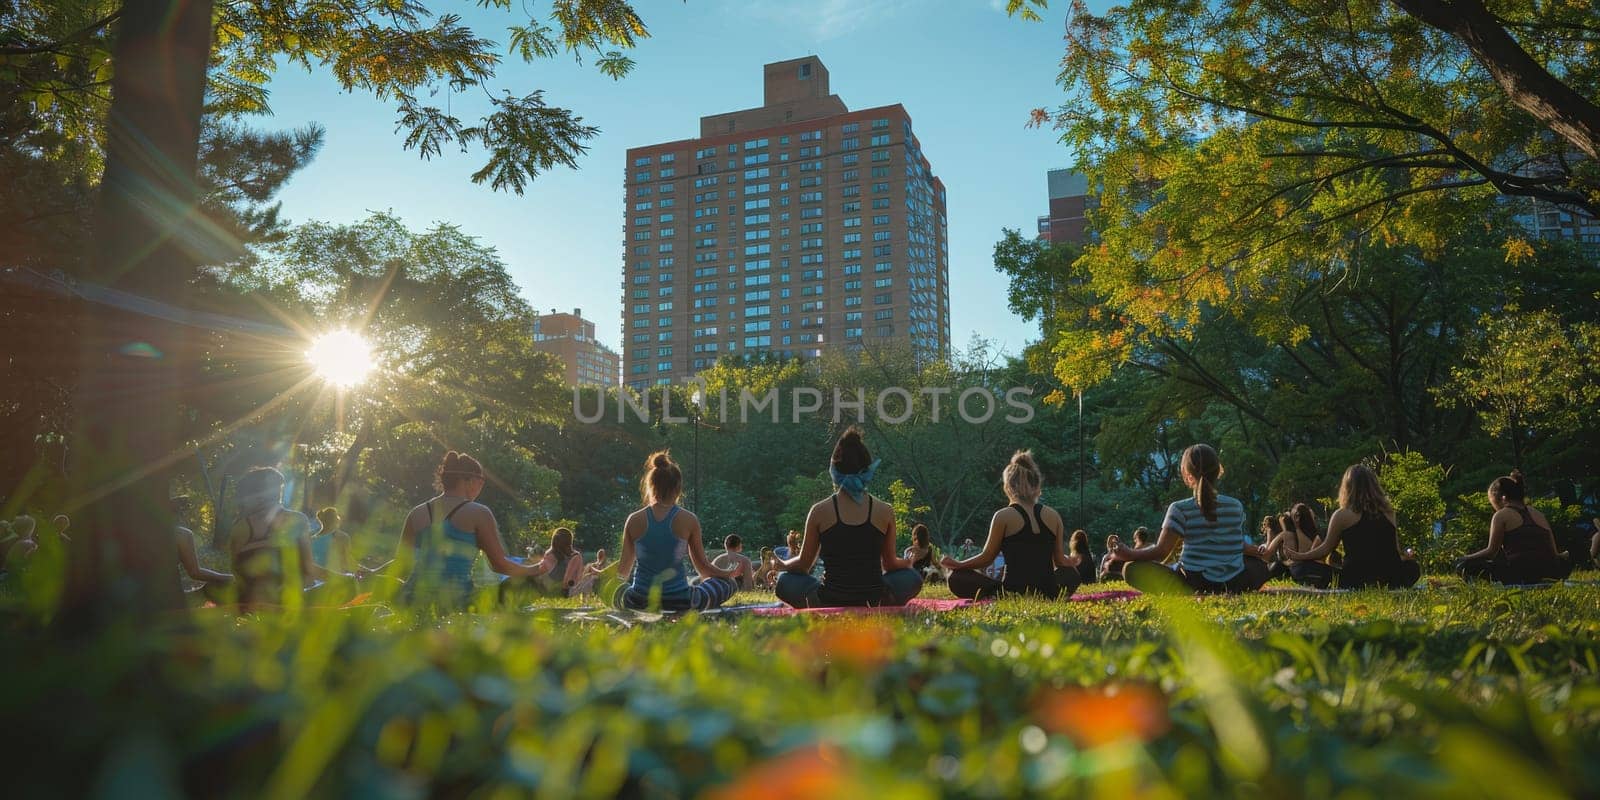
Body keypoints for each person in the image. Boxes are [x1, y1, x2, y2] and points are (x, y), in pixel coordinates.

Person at [777, 427, 922, 608]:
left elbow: (804, 565)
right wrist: (908, 562)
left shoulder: (819, 511)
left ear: (834, 469)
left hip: (830, 599)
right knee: (912, 577)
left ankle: (820, 604)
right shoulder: (885, 510)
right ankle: (882, 602)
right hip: (875, 598)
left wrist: (782, 564)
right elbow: (890, 563)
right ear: (866, 469)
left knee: (784, 581)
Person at [392, 451, 555, 608]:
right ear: (468, 480)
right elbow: (499, 565)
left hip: (412, 599)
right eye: (481, 480)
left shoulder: (416, 513)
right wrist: (537, 569)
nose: (482, 485)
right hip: (457, 600)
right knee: (527, 582)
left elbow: (400, 566)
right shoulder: (478, 512)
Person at [1107, 444, 1271, 595]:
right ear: (1218, 470)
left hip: (1194, 583)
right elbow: (1234, 544)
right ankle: (1226, 589)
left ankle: (1185, 592)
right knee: (1259, 567)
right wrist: (1258, 552)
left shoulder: (1179, 509)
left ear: (1187, 474)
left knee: (1130, 568)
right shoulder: (1235, 506)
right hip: (1235, 582)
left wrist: (1129, 554)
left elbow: (1161, 552)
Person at [943, 450, 1081, 600]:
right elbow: (1060, 560)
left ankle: (997, 595)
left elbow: (987, 557)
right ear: (1036, 484)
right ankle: (1046, 594)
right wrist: (1071, 562)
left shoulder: (1003, 516)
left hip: (1013, 591)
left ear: (1008, 486)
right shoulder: (1054, 516)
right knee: (1071, 574)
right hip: (1048, 590)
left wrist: (958, 565)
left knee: (956, 577)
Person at [614, 451, 737, 611]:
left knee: (621, 591)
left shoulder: (633, 519)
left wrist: (603, 583)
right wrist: (728, 574)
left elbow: (623, 571)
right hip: (680, 601)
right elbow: (704, 569)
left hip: (639, 600)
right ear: (678, 488)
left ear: (651, 486)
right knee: (730, 583)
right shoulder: (689, 519)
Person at [228, 467, 354, 608]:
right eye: (279, 488)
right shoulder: (297, 519)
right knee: (350, 584)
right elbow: (308, 569)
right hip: (285, 603)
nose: (280, 492)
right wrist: (344, 579)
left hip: (246, 601)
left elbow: (236, 572)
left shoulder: (239, 526)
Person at [1284, 464, 1420, 589]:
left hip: (1355, 579)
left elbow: (1325, 549)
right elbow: (1395, 551)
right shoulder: (1389, 512)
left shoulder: (1342, 515)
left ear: (1347, 487)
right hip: (1391, 578)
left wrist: (1300, 556)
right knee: (1413, 567)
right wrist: (1407, 558)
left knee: (1300, 568)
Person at [1455, 471, 1572, 584]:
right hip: (1551, 572)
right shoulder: (1539, 514)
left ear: (1502, 498)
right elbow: (1554, 553)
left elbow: (1491, 552)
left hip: (1520, 573)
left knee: (1464, 566)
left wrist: (1465, 558)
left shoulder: (1501, 515)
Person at [173, 495, 232, 601]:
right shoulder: (181, 534)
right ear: (180, 513)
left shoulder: (141, 531)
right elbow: (195, 572)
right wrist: (227, 578)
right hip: (170, 592)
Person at [1264, 504, 1334, 588]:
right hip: (1312, 571)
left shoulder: (1287, 535)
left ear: (1297, 517)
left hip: (1300, 570)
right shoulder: (1316, 536)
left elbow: (1266, 556)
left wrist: (1269, 535)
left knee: (1277, 566)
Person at [531, 527, 586, 596]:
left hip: (548, 590)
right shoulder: (575, 556)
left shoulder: (548, 555)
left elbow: (539, 571)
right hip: (566, 591)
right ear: (569, 541)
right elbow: (573, 579)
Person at [310, 507, 355, 575]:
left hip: (316, 579)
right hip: (335, 578)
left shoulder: (311, 538)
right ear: (337, 520)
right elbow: (348, 561)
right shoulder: (342, 537)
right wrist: (367, 570)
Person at [1260, 515, 1289, 581]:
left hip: (1276, 559)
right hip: (1282, 559)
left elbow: (1269, 547)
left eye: (1265, 523)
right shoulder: (1279, 532)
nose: (1263, 525)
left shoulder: (1270, 530)